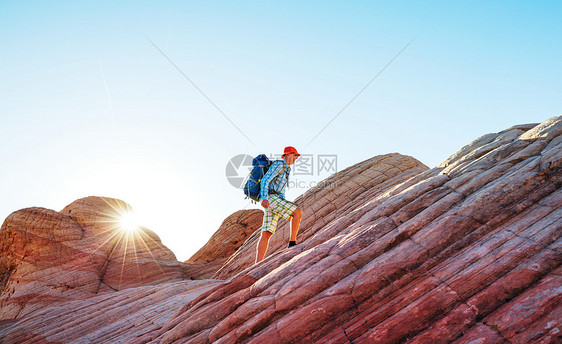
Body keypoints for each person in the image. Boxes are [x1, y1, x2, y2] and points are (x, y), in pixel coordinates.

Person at [255, 146, 303, 263]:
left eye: (296, 156)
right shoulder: (279, 164)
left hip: (275, 199)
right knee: (297, 212)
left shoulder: (287, 169)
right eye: (294, 155)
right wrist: (265, 198)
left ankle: (257, 264)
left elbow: (280, 189)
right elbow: (266, 179)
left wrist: (283, 200)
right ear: (287, 154)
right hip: (270, 198)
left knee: (267, 233)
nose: (296, 158)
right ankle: (292, 243)